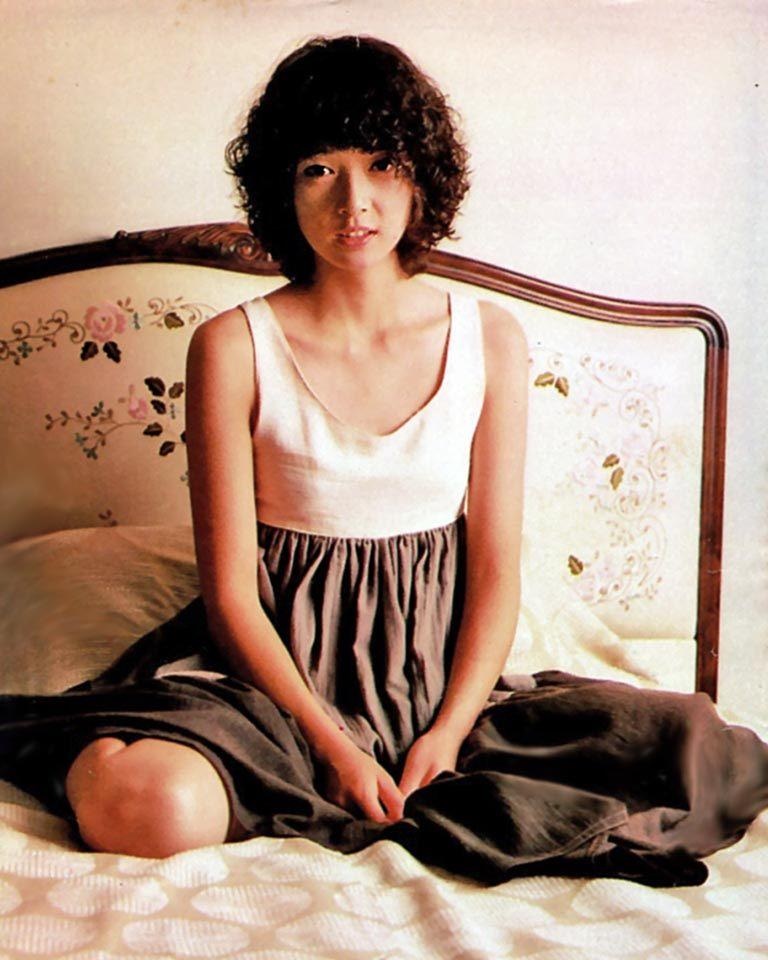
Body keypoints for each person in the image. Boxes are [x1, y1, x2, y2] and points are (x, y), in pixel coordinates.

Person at [1, 35, 767, 886]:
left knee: (694, 749)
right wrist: (331, 746)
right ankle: (99, 742)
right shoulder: (232, 346)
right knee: (148, 809)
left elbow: (496, 572)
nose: (353, 203)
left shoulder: (489, 339)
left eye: (381, 164)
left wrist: (446, 734)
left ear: (421, 176)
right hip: (267, 687)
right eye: (319, 170)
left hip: (435, 684)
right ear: (282, 186)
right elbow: (231, 595)